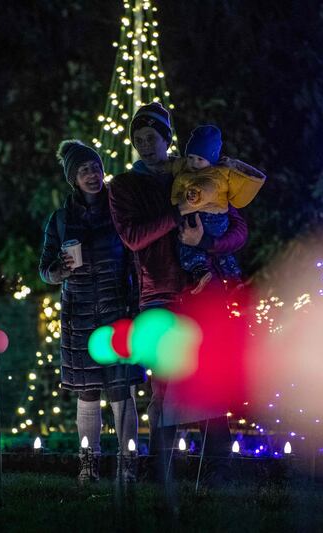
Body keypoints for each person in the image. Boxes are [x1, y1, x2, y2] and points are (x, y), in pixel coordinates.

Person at [108, 102, 257, 486]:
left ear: (166, 138)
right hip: (158, 292)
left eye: (151, 137)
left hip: (201, 291)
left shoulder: (195, 171)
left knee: (209, 378)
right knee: (166, 385)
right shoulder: (125, 185)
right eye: (137, 139)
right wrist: (176, 214)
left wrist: (205, 240)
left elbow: (238, 230)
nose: (144, 145)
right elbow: (133, 236)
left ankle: (216, 469)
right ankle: (163, 469)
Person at [39, 139, 144, 485]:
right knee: (87, 391)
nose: (92, 174)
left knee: (120, 388)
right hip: (78, 312)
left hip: (116, 308)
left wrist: (135, 300)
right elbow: (44, 269)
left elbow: (134, 257)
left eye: (96, 167)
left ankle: (129, 462)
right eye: (84, 169)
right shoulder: (59, 220)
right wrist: (58, 271)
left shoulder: (119, 211)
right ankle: (89, 462)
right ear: (72, 178)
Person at [170, 125, 266, 293]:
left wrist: (194, 196)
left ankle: (199, 270)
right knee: (224, 256)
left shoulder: (213, 176)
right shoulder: (194, 170)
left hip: (207, 219)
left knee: (187, 245)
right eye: (191, 157)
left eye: (200, 159)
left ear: (212, 159)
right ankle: (235, 280)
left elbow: (207, 188)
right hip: (219, 222)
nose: (193, 163)